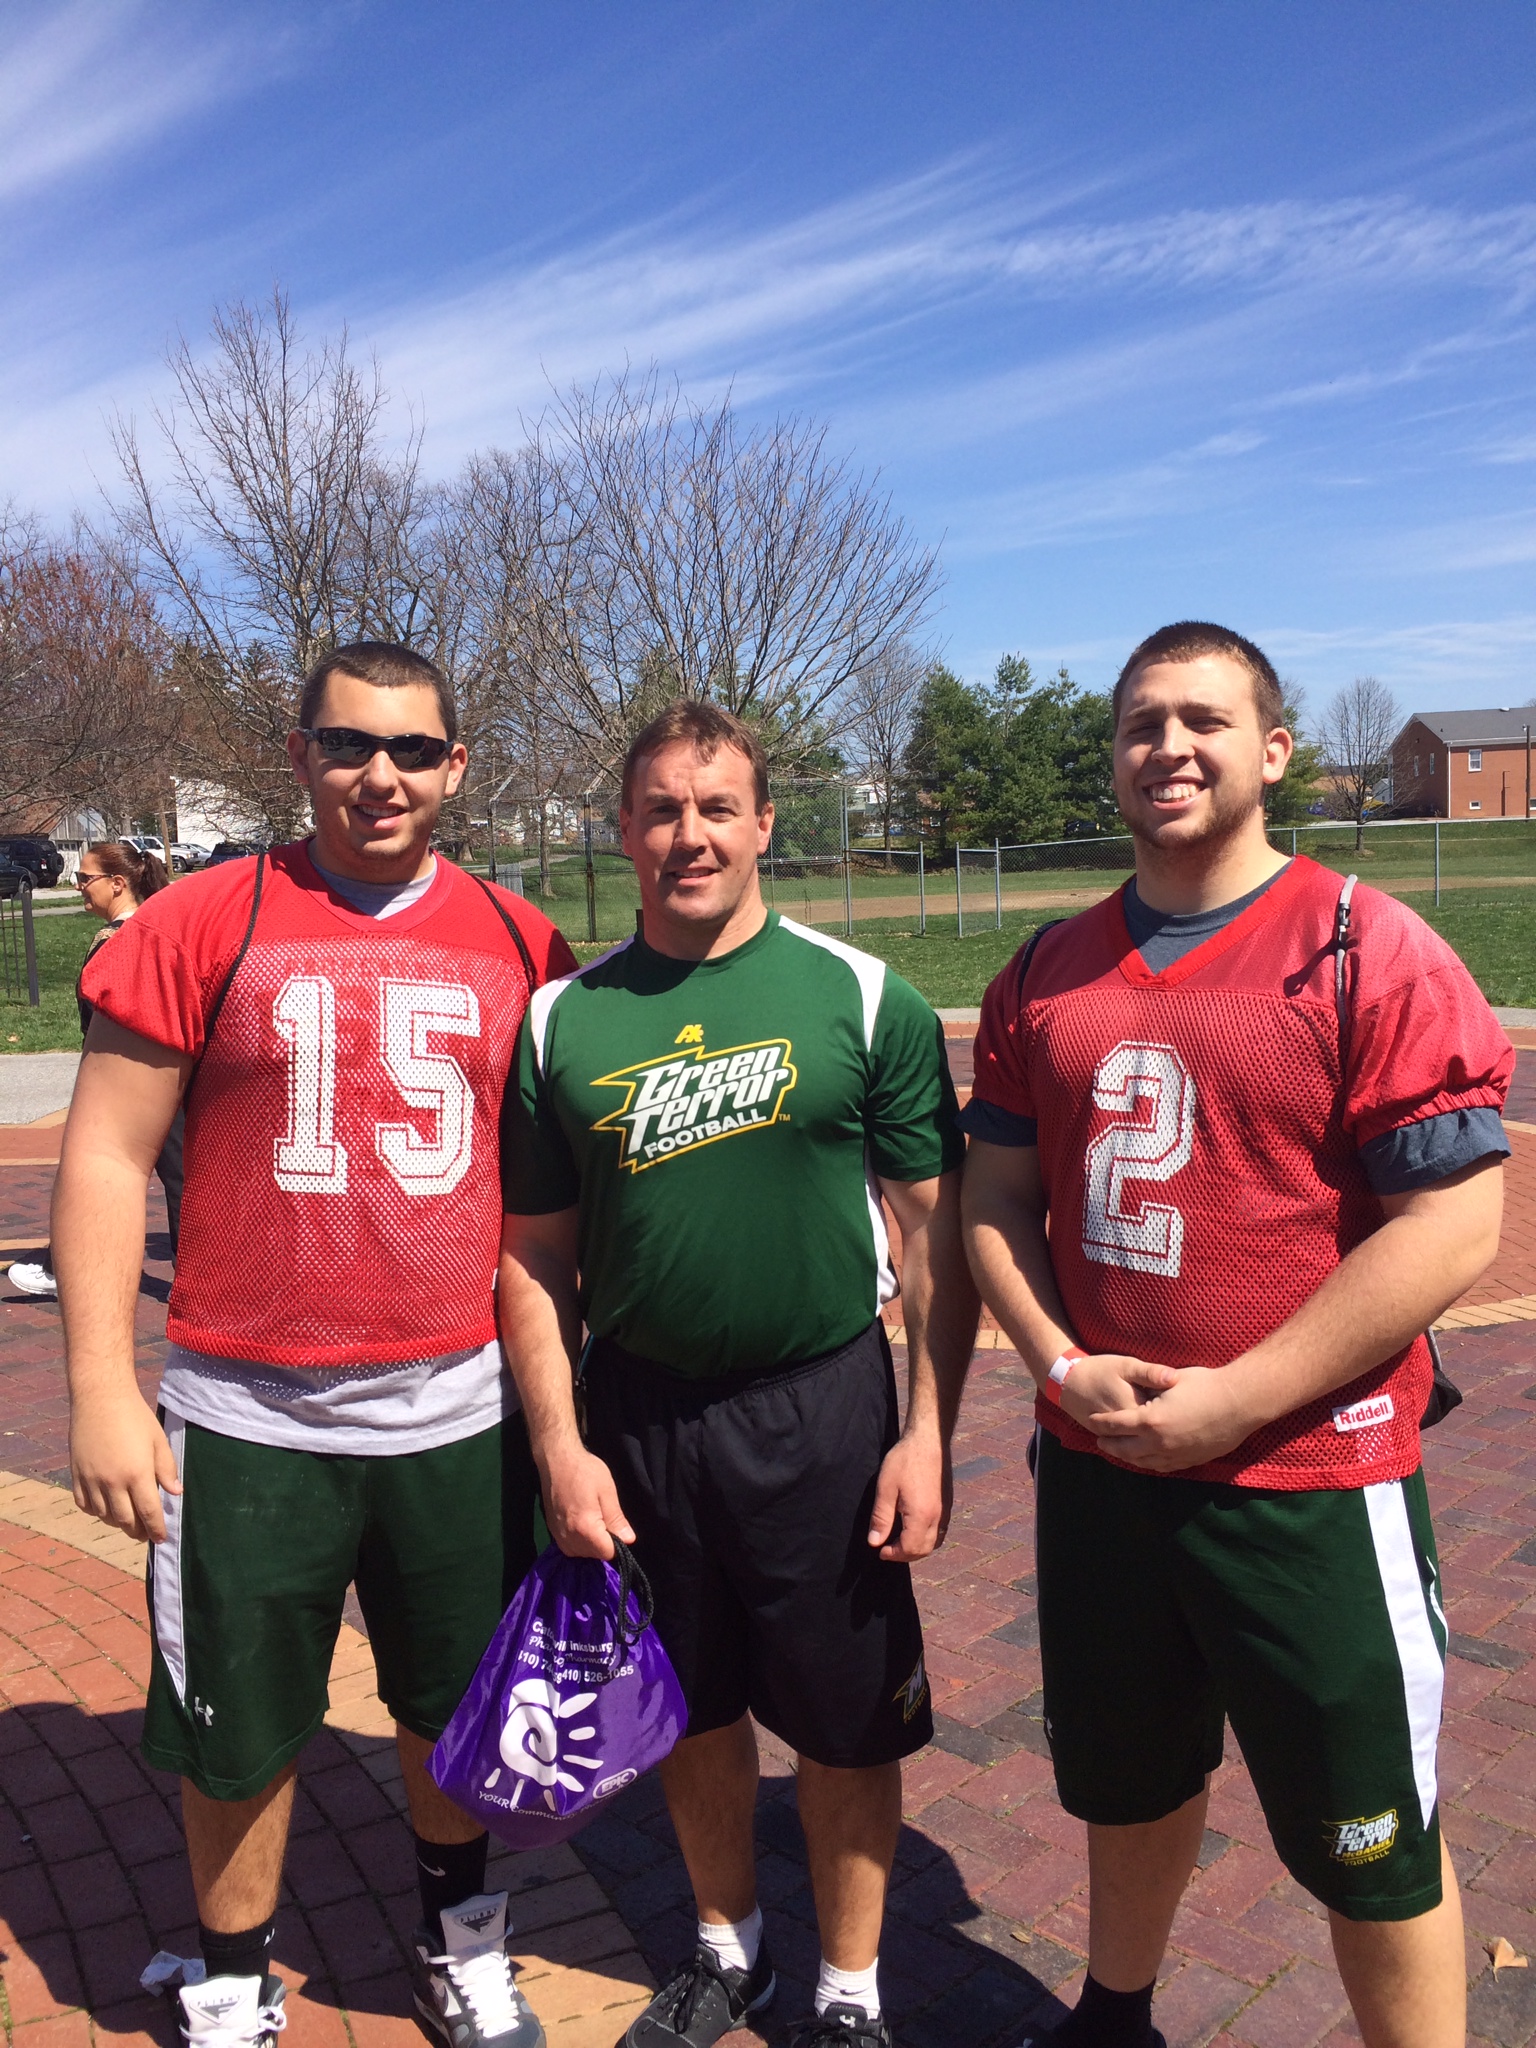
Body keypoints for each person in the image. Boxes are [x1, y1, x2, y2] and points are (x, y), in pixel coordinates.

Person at [961, 621, 1511, 2048]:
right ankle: (1115, 2013)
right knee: (1127, 1781)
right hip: (1102, 1464)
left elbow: (1455, 1227)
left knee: (1374, 1839)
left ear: (1272, 751)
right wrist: (1061, 1366)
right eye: (1144, 722)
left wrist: (1236, 1399)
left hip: (1310, 1482)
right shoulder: (1048, 968)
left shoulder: (1361, 943)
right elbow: (994, 1201)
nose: (1170, 748)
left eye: (1205, 720)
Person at [56, 643, 576, 2048]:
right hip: (248, 1411)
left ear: (456, 768)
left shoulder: (526, 941)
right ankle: (232, 1975)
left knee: (458, 1709)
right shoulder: (199, 920)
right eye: (349, 745)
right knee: (235, 1730)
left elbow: (567, 1192)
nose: (381, 775)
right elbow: (107, 1156)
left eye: (412, 749)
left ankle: (461, 1941)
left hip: (458, 1406)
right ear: (300, 756)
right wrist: (101, 1389)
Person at [497, 700, 979, 2048]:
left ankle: (848, 1990)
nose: (689, 834)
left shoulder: (859, 995)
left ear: (767, 824)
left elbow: (936, 1244)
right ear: (622, 830)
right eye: (659, 809)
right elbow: (531, 1261)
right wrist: (560, 1446)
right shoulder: (562, 1024)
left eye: (717, 809)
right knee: (690, 1712)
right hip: (640, 1415)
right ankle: (727, 1950)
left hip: (822, 1408)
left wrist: (930, 1432)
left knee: (845, 1728)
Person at [10, 841, 185, 1297]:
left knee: (102, 1173)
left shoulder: (125, 939)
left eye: (85, 878)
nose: (78, 885)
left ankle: (63, 1267)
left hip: (132, 1079)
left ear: (118, 883)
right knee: (164, 1174)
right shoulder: (141, 930)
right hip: (146, 1075)